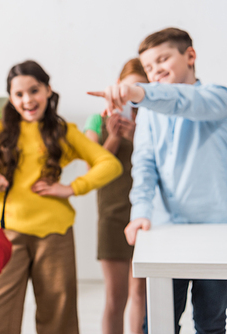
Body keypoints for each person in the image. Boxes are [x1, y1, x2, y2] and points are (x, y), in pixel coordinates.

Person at [88, 27, 227, 334]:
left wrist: (138, 93)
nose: (155, 70)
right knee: (158, 324)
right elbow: (145, 167)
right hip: (166, 233)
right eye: (148, 67)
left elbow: (184, 102)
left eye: (163, 59)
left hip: (217, 234)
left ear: (190, 56)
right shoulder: (149, 114)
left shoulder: (218, 98)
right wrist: (140, 213)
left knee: (211, 323)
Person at [0, 60, 122, 334]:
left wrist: (71, 188)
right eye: (19, 94)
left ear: (48, 90)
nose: (27, 99)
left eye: (34, 90)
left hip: (55, 235)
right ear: (10, 97)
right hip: (7, 232)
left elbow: (109, 164)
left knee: (59, 317)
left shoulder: (65, 133)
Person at [84, 58, 147, 334]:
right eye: (128, 86)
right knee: (115, 297)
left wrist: (138, 136)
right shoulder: (96, 120)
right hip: (111, 216)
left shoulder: (153, 119)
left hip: (146, 217)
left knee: (141, 295)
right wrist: (114, 138)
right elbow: (92, 171)